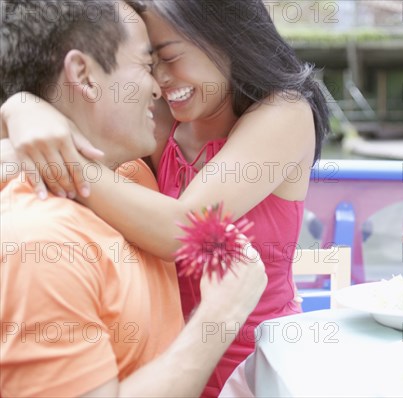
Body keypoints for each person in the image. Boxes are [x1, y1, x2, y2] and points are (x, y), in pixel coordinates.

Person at [1, 1, 330, 395]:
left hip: (256, 365)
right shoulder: (168, 118)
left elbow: (185, 230)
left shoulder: (285, 113)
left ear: (226, 37)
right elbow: (89, 108)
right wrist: (22, 107)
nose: (159, 79)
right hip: (173, 365)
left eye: (169, 57)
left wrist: (67, 162)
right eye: (149, 62)